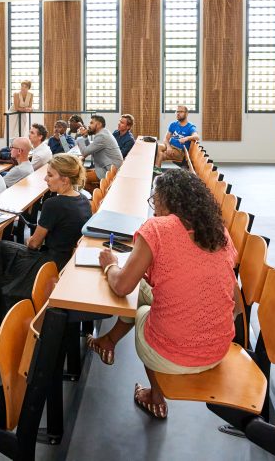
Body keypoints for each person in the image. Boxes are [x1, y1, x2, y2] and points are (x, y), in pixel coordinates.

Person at [87, 169, 237, 420]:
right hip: (218, 349)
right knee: (146, 291)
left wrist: (110, 265)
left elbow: (122, 286)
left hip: (173, 355)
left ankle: (156, 397)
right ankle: (108, 341)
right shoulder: (218, 230)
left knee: (140, 304)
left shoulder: (158, 229)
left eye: (155, 199)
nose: (153, 205)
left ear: (166, 199)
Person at [0, 154, 92, 329]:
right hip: (64, 261)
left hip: (49, 264)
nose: (46, 179)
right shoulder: (83, 199)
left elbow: (34, 244)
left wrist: (31, 238)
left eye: (50, 175)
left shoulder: (54, 204)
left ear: (65, 180)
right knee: (0, 250)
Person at [76, 114, 124, 190]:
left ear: (99, 125)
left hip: (108, 170)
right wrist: (85, 136)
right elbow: (90, 150)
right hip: (107, 167)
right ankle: (99, 191)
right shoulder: (103, 133)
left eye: (91, 123)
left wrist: (80, 137)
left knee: (79, 179)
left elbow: (84, 152)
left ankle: (99, 195)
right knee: (82, 172)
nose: (89, 126)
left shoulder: (101, 136)